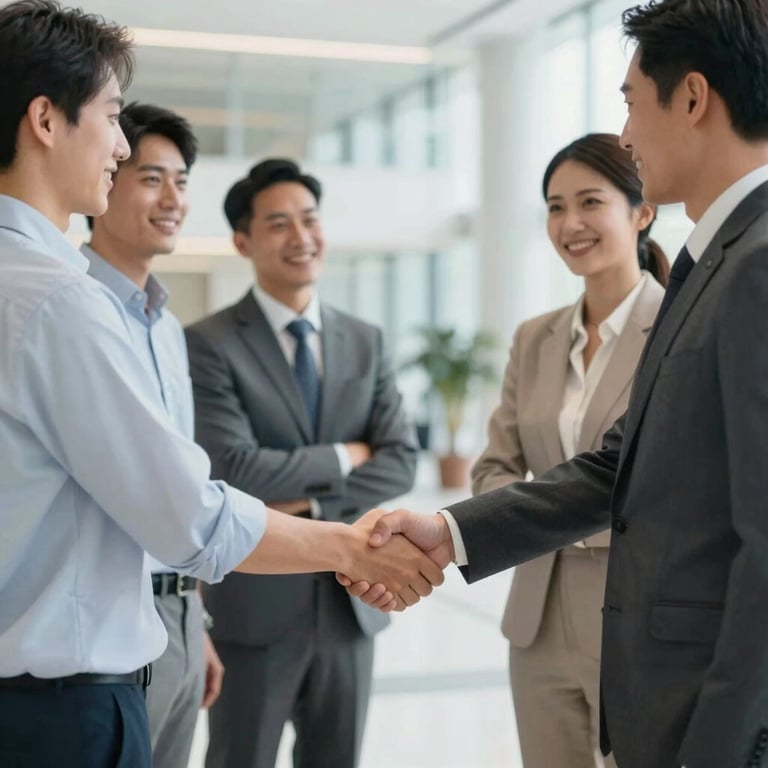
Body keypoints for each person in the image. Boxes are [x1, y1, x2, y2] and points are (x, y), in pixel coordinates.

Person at [0, 3, 442, 766]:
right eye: (110, 118)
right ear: (45, 118)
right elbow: (188, 510)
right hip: (63, 708)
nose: (116, 142)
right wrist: (352, 544)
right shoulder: (58, 298)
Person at [348, 1, 768, 767]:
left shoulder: (756, 263)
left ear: (695, 98)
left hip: (709, 721)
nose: (630, 135)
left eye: (631, 103)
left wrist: (721, 747)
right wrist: (448, 532)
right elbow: (618, 464)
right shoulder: (711, 266)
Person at [185, 158, 418, 768]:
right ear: (244, 241)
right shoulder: (208, 343)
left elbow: (399, 461)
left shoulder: (364, 339)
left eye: (309, 220)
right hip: (254, 613)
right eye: (279, 224)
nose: (300, 237)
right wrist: (346, 454)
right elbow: (232, 467)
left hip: (352, 609)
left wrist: (309, 506)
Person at [471, 132, 666, 768]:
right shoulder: (534, 339)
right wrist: (533, 522)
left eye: (590, 202)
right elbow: (496, 463)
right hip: (538, 618)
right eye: (555, 206)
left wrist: (561, 519)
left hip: (638, 612)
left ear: (641, 212)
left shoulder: (678, 326)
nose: (570, 223)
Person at [83, 101, 225, 768]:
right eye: (150, 178)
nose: (173, 199)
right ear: (103, 176)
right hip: (111, 623)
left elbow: (180, 487)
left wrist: (197, 624)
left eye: (182, 181)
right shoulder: (73, 311)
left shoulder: (167, 327)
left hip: (180, 617)